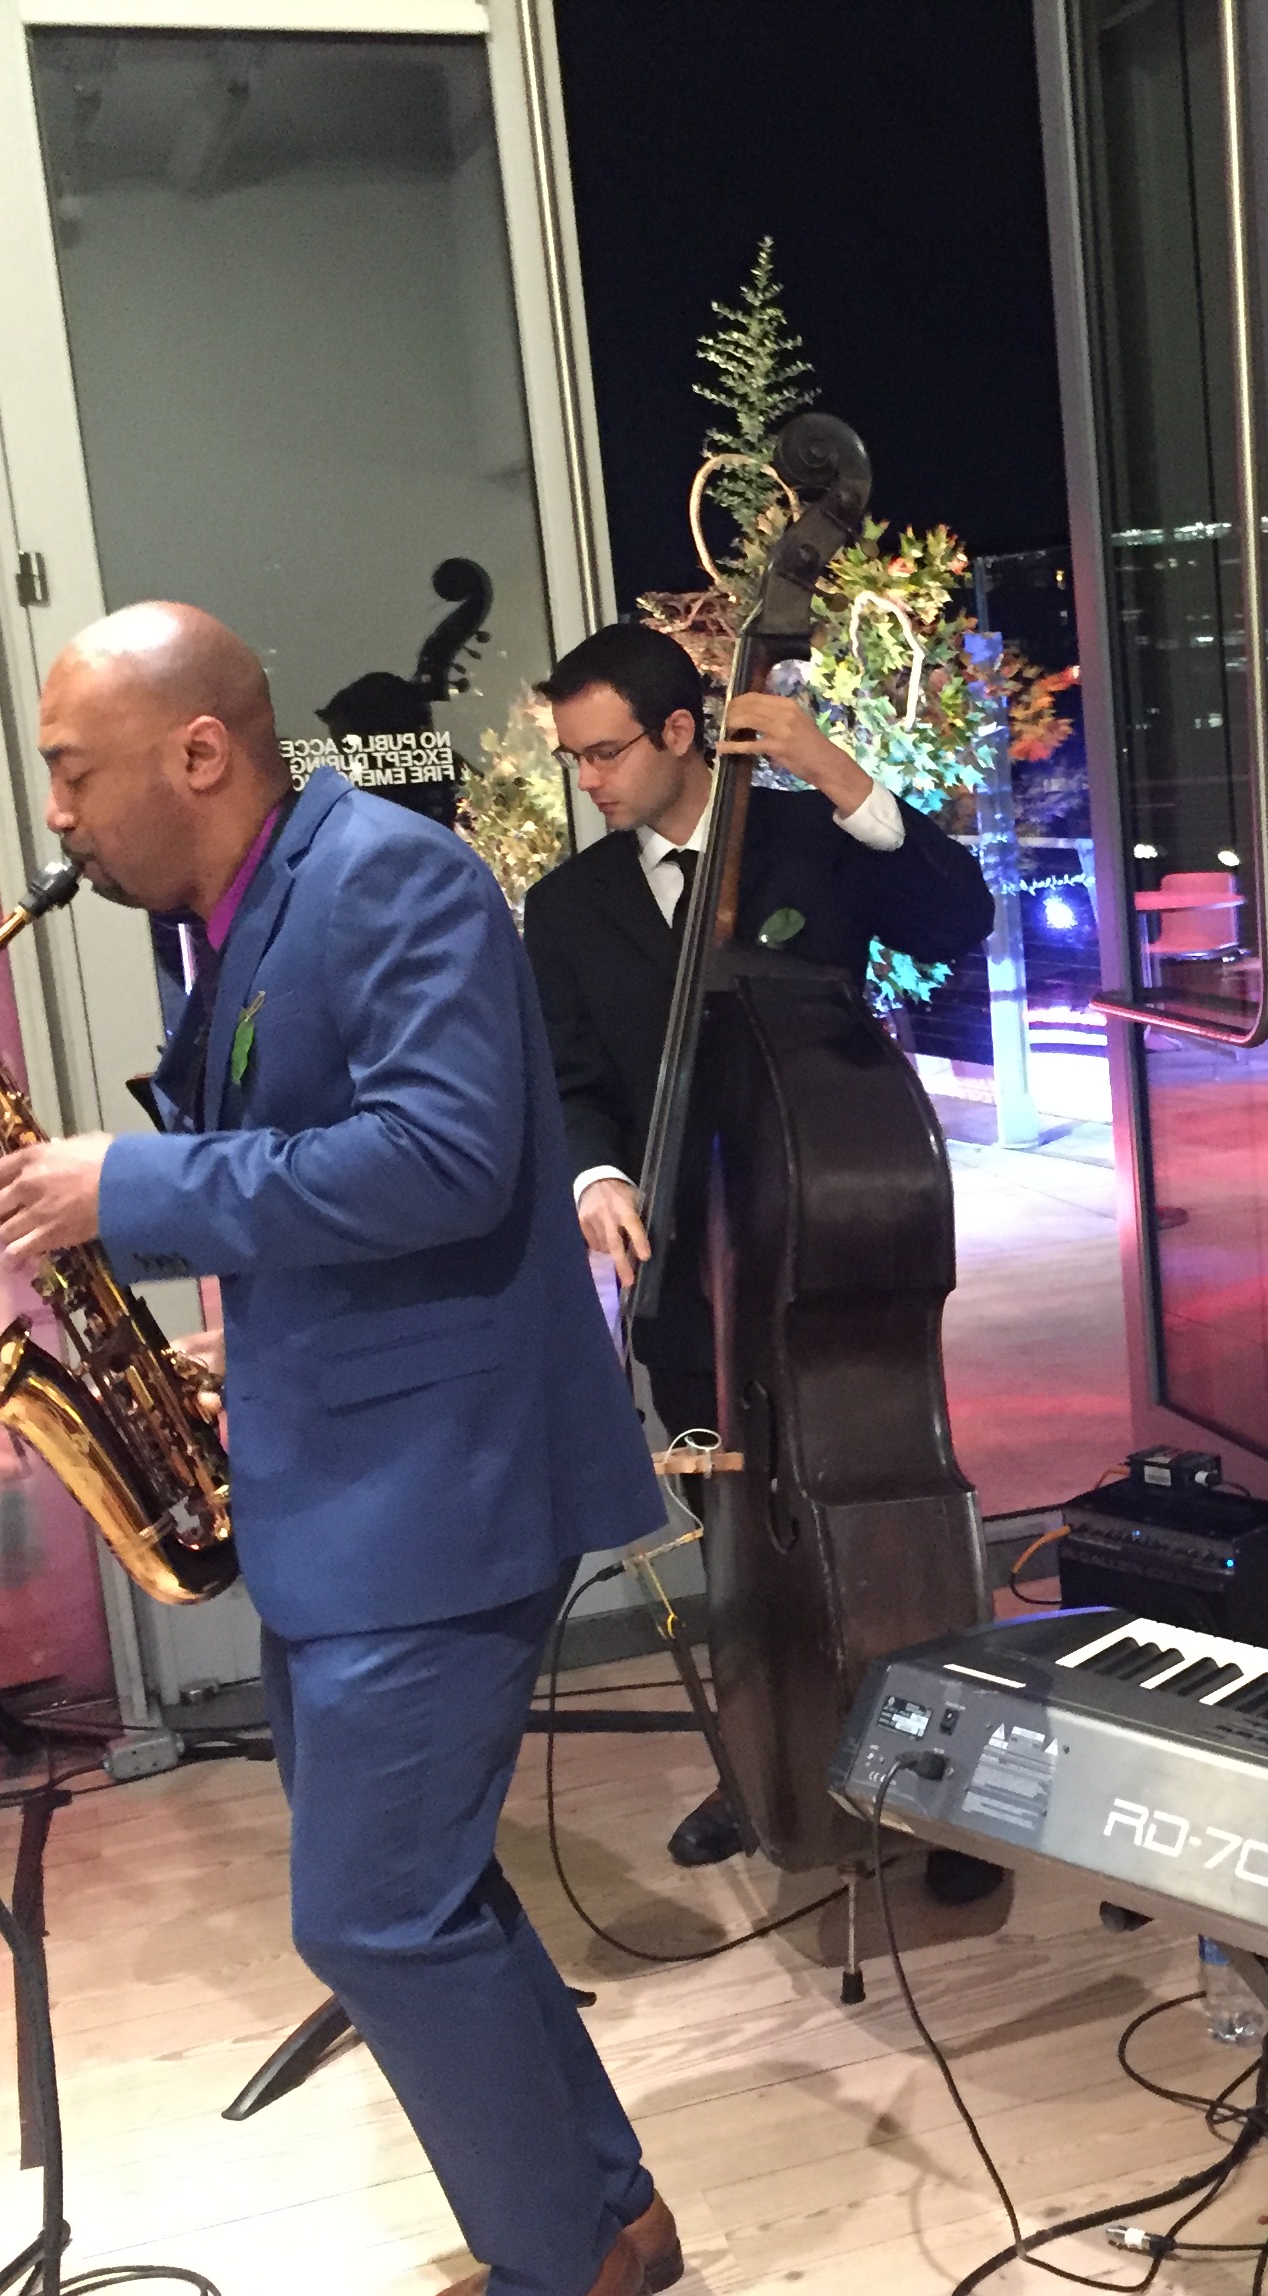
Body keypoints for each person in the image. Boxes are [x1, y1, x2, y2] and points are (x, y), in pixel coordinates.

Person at [0, 603, 676, 2296]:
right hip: (351, 1470)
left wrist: (134, 1182)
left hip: (439, 1488)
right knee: (426, 1894)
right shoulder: (248, 907)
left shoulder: (393, 878)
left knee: (374, 1913)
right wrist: (253, 1340)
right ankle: (600, 2216)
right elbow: (341, 1173)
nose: (55, 811)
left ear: (199, 750)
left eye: (73, 770)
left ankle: (552, 2278)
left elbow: (447, 1157)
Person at [519, 620, 994, 1871]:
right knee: (730, 1544)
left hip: (832, 1249)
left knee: (883, 1533)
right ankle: (760, 1766)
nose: (588, 779)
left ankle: (935, 1789)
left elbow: (957, 920)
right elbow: (568, 1081)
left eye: (605, 752)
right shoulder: (565, 908)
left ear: (682, 731)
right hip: (688, 1273)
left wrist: (833, 769)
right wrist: (596, 1178)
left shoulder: (805, 840)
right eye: (575, 758)